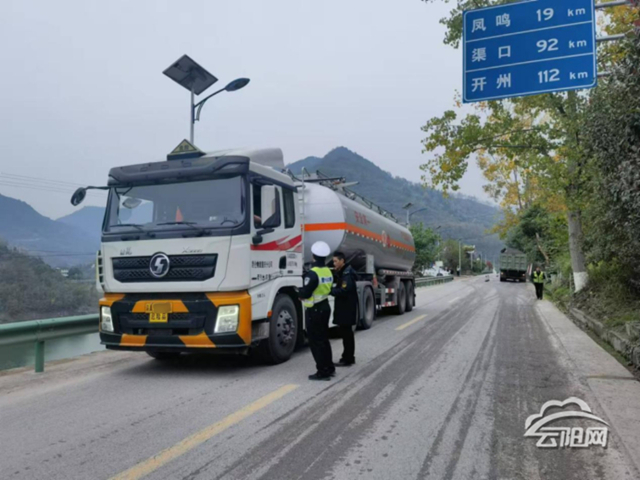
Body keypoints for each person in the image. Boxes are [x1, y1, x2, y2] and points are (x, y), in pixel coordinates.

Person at [297, 241, 335, 381]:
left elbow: (306, 293)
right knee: (324, 339)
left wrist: (299, 292)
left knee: (315, 341)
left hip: (314, 310)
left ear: (313, 256)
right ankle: (329, 367)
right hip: (325, 306)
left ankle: (322, 371)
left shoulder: (312, 273)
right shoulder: (328, 271)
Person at [331, 251, 358, 366]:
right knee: (346, 334)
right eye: (333, 261)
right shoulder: (344, 272)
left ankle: (348, 358)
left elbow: (344, 290)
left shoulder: (346, 274)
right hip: (346, 308)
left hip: (346, 308)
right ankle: (347, 356)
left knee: (347, 334)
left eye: (335, 261)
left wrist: (330, 291)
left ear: (342, 261)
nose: (334, 264)